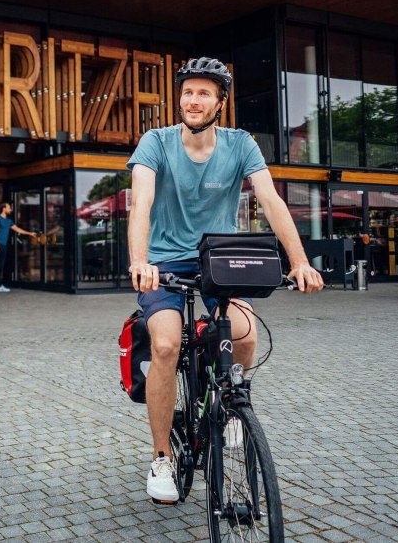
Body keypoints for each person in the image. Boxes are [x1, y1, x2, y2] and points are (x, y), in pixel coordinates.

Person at [127, 56, 324, 504]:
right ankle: (161, 458)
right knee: (164, 345)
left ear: (220, 103)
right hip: (163, 263)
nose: (192, 100)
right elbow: (140, 202)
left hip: (218, 261)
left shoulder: (240, 146)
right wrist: (140, 260)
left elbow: (271, 200)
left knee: (248, 334)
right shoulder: (155, 142)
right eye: (187, 92)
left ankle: (231, 403)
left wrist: (299, 261)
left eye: (203, 93)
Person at [0, 202, 37, 293]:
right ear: (4, 209)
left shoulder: (9, 221)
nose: (10, 210)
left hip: (3, 245)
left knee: (0, 266)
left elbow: (17, 229)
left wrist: (30, 233)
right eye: (9, 208)